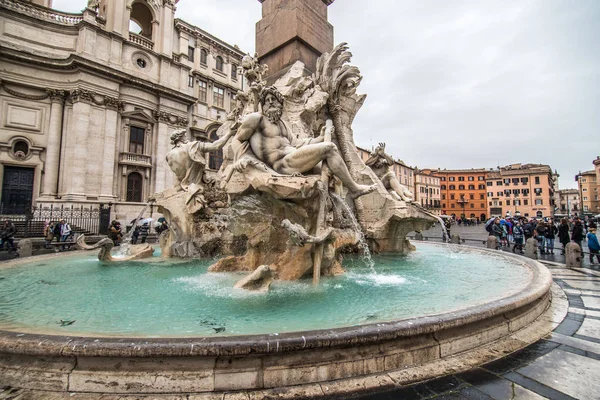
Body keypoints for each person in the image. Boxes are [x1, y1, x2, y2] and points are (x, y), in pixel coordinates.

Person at [231, 86, 376, 199]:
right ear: (262, 105)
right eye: (266, 100)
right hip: (282, 165)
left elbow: (297, 143)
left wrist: (320, 138)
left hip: (295, 159)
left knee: (335, 176)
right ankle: (355, 189)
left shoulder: (282, 124)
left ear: (280, 103)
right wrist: (241, 158)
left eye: (273, 99)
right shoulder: (256, 119)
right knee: (330, 148)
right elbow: (237, 139)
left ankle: (334, 218)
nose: (270, 102)